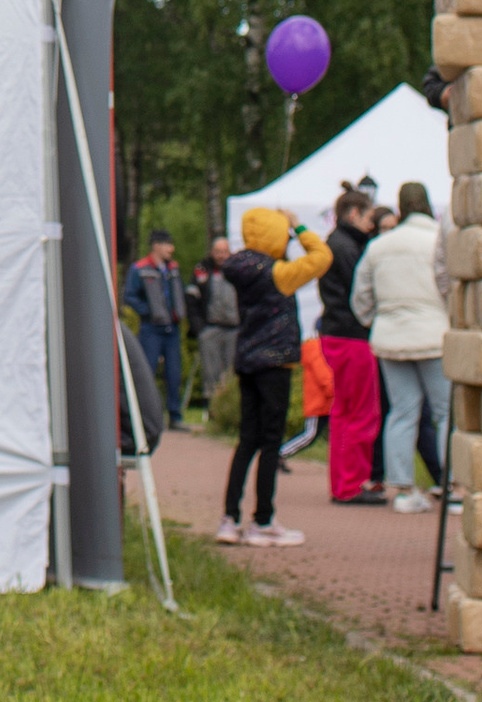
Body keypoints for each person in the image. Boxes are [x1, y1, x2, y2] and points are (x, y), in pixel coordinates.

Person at [213, 205, 332, 546]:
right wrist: (299, 227)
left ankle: (229, 518)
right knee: (270, 441)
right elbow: (322, 257)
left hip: (247, 359)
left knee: (246, 440)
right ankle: (262, 520)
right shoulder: (279, 274)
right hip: (275, 362)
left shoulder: (239, 268)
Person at [356, 177, 448, 512]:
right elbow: (450, 284)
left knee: (402, 413)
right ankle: (451, 487)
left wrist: (377, 320)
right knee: (445, 412)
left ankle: (404, 490)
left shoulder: (379, 246)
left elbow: (361, 297)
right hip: (434, 334)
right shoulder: (439, 240)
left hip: (391, 338)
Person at [316, 181, 384, 506]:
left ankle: (344, 483)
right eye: (369, 217)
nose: (371, 224)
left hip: (336, 333)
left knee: (344, 412)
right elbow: (360, 291)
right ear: (354, 213)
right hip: (352, 335)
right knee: (361, 413)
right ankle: (351, 485)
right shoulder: (347, 247)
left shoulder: (336, 243)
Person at [121, 231, 187, 426]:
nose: (171, 249)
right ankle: (144, 416)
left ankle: (175, 416)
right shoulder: (140, 269)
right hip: (151, 328)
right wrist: (147, 311)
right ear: (156, 246)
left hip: (172, 328)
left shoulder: (173, 268)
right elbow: (129, 296)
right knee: (146, 371)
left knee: (174, 372)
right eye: (168, 244)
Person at [196, 241, 239, 401]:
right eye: (218, 251)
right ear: (212, 252)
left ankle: (230, 405)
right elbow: (192, 299)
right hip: (211, 328)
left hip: (234, 329)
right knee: (210, 371)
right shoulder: (202, 270)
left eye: (224, 251)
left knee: (232, 371)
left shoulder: (238, 271)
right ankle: (211, 405)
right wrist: (199, 328)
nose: (221, 255)